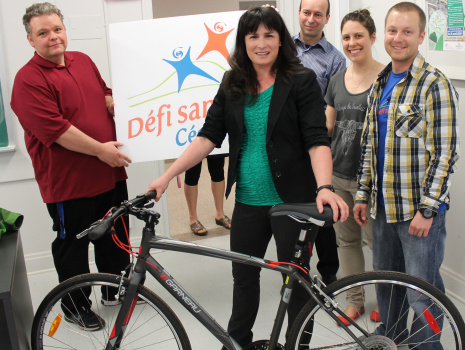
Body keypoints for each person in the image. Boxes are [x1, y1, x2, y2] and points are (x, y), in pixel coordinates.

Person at [147, 6, 348, 348]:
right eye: (253, 35)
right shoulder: (232, 82)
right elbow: (208, 136)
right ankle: (238, 343)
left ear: (281, 39)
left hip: (292, 201)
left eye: (269, 34)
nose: (261, 43)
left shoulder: (300, 80)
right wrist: (167, 176)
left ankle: (296, 344)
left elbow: (317, 139)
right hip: (248, 201)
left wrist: (325, 187)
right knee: (243, 279)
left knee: (296, 281)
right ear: (243, 41)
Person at [11, 2, 132, 331]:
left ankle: (114, 291)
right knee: (73, 247)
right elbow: (57, 131)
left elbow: (104, 90)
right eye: (43, 33)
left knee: (115, 236)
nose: (53, 37)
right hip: (69, 184)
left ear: (65, 29)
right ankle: (75, 305)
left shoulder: (84, 61)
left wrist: (109, 100)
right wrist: (100, 151)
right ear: (30, 39)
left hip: (109, 174)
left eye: (57, 29)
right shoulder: (27, 80)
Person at [353, 2, 459, 348]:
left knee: (422, 295)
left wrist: (428, 210)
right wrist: (362, 195)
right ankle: (392, 343)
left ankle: (426, 347)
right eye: (393, 31)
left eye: (408, 31)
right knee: (387, 288)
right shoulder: (381, 81)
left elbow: (445, 154)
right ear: (383, 34)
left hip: (418, 216)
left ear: (421, 36)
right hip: (382, 211)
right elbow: (371, 145)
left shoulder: (434, 84)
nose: (399, 39)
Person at [324, 9, 384, 326]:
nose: (352, 42)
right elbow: (328, 128)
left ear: (372, 37)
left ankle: (387, 303)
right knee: (346, 241)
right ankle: (354, 301)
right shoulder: (336, 80)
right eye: (346, 37)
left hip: (372, 182)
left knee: (380, 245)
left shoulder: (388, 78)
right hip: (339, 176)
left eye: (358, 35)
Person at [294, 0, 346, 284]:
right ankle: (294, 271)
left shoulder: (336, 59)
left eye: (318, 14)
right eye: (306, 12)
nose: (311, 19)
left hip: (317, 143)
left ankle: (329, 273)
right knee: (289, 211)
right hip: (284, 146)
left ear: (326, 18)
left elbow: (333, 106)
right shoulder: (281, 47)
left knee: (323, 209)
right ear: (299, 14)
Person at [183, 155, 231, 236]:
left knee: (218, 170)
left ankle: (220, 214)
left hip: (214, 145)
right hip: (192, 142)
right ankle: (193, 219)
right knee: (192, 173)